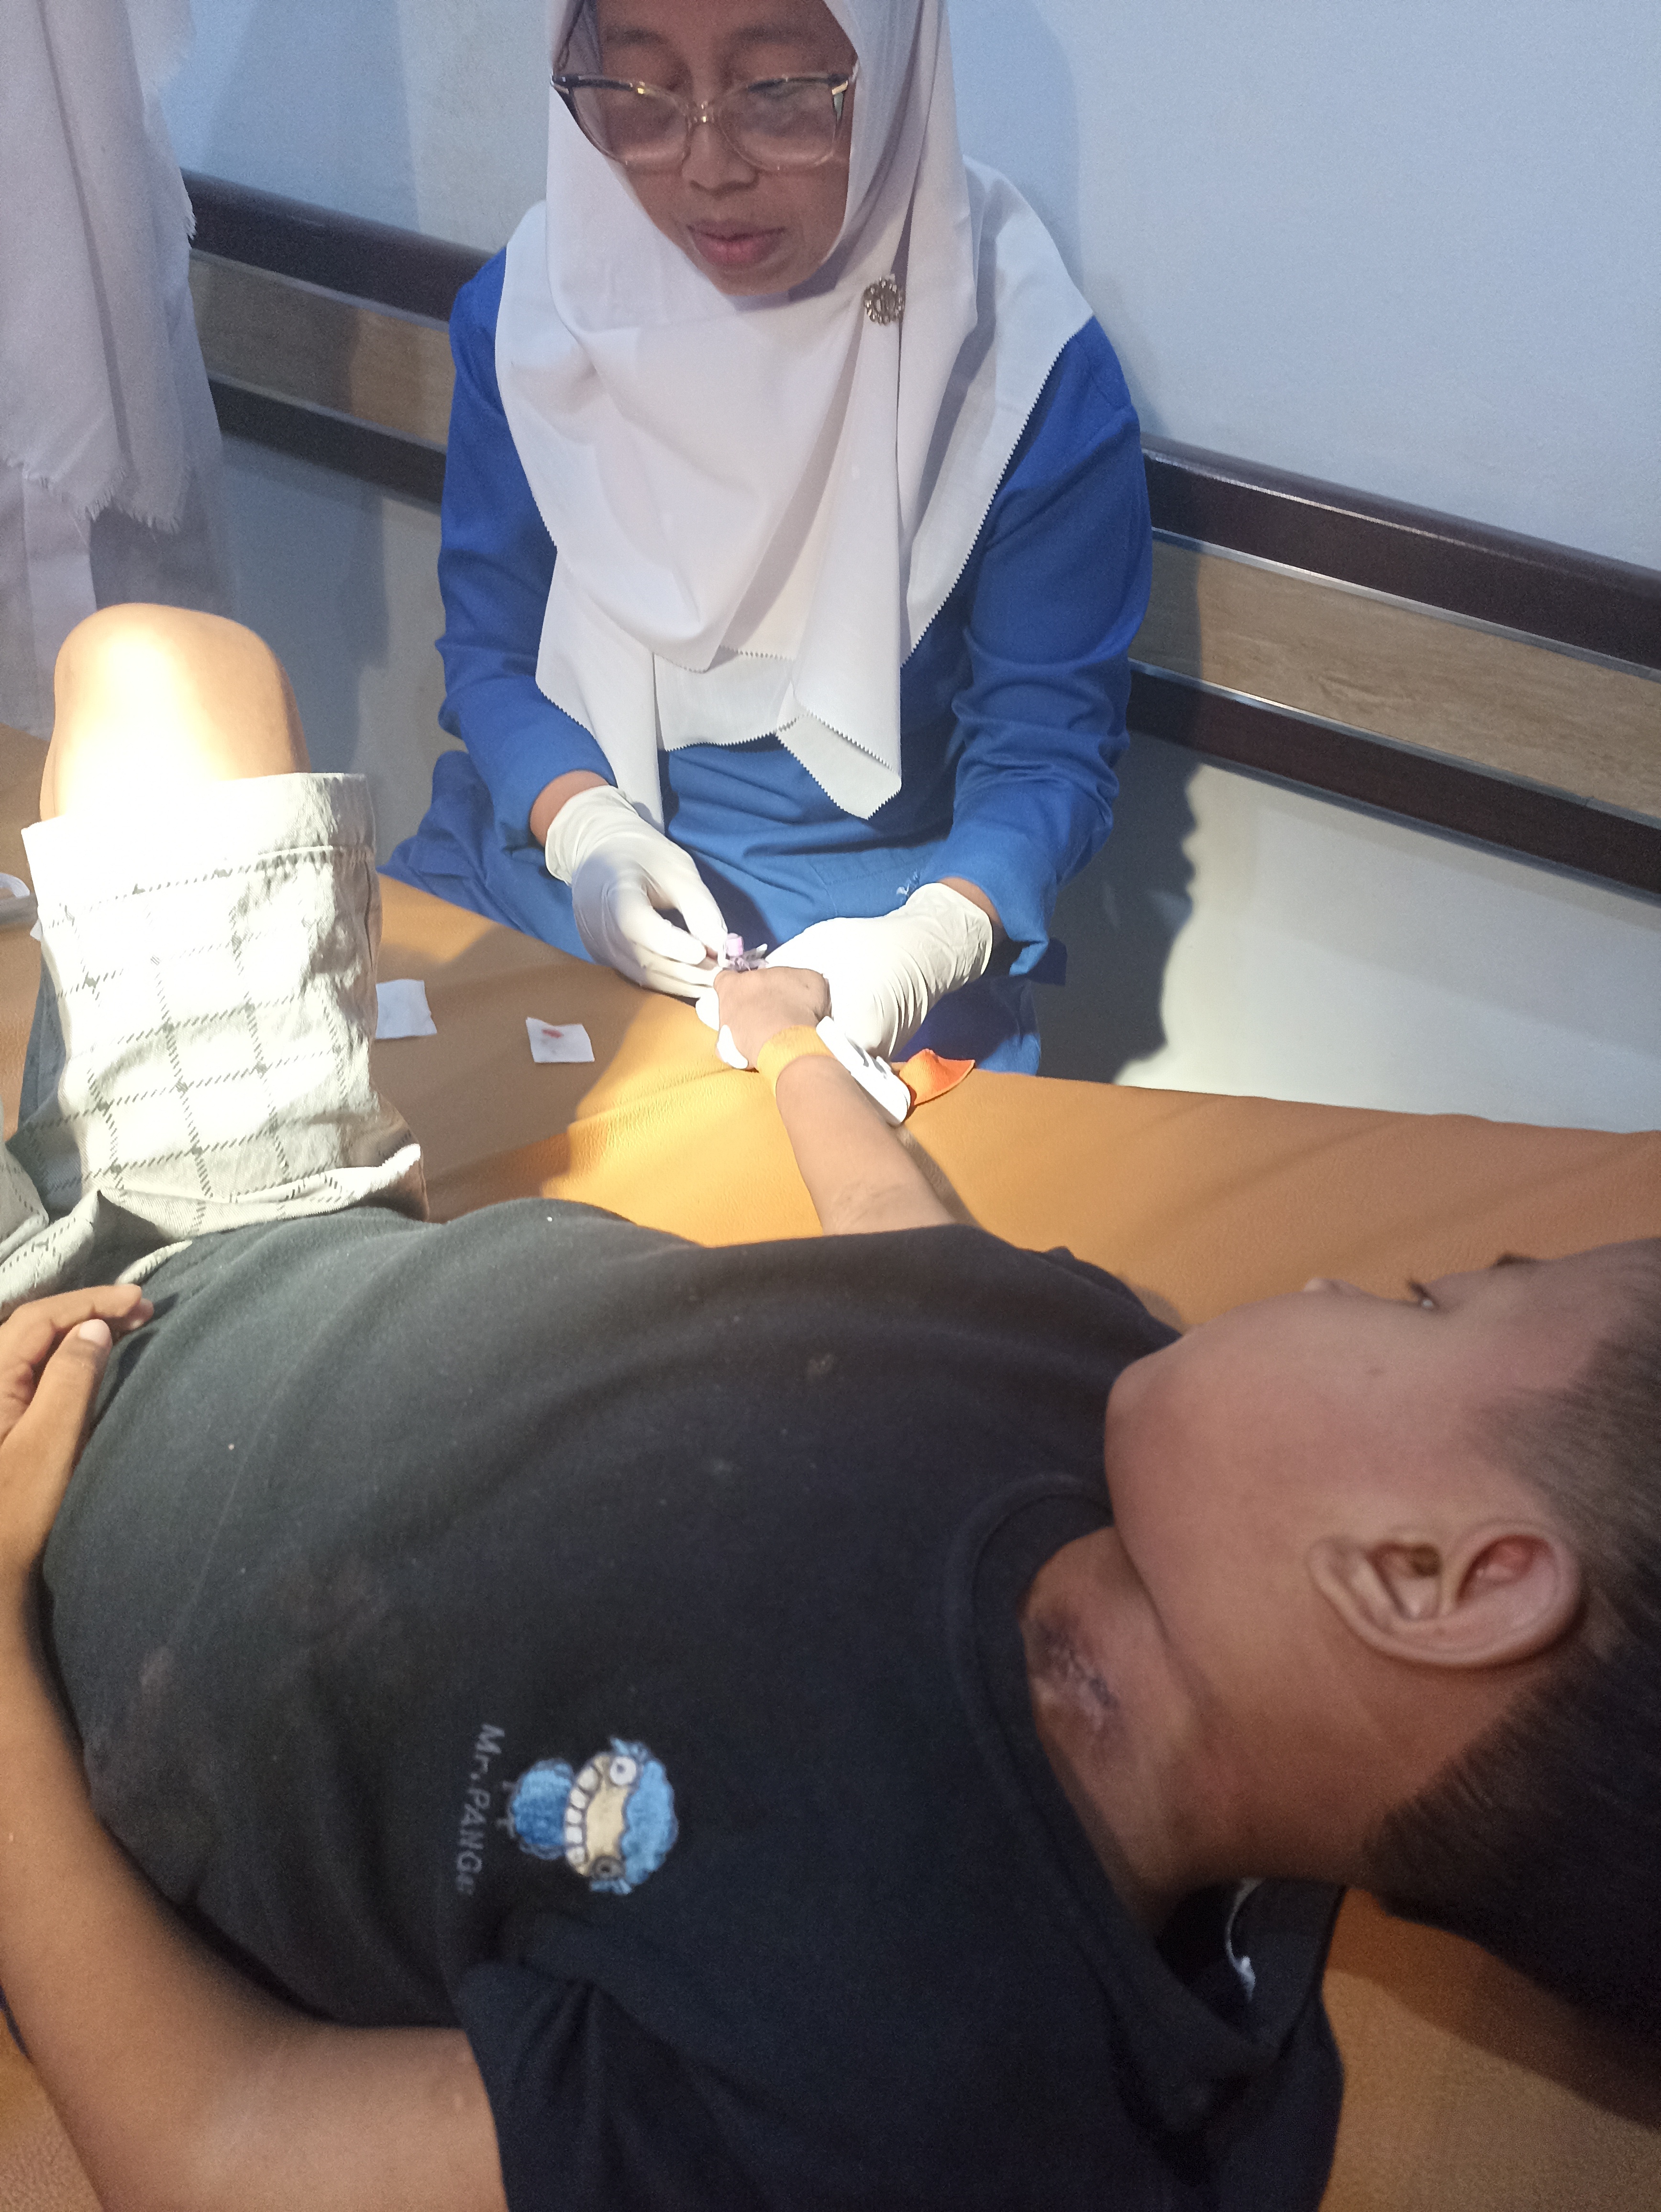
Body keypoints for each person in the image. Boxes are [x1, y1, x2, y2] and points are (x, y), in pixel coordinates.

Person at [0, 608, 1657, 2212]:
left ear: (1433, 1579)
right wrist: (798, 1042)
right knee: (165, 663)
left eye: (1431, 1304)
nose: (1347, 1284)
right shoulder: (1104, 1391)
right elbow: (902, 1235)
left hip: (67, 1569)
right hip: (271, 1220)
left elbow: (215, 2141)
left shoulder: (913, 2072)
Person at [386, 0, 1153, 1074]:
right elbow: (493, 656)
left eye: (778, 92)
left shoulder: (1022, 370)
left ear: (889, 70)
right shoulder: (536, 316)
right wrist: (589, 831)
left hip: (855, 952)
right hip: (531, 877)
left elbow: (1041, 755)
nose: (708, 169)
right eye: (641, 92)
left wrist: (926, 945)